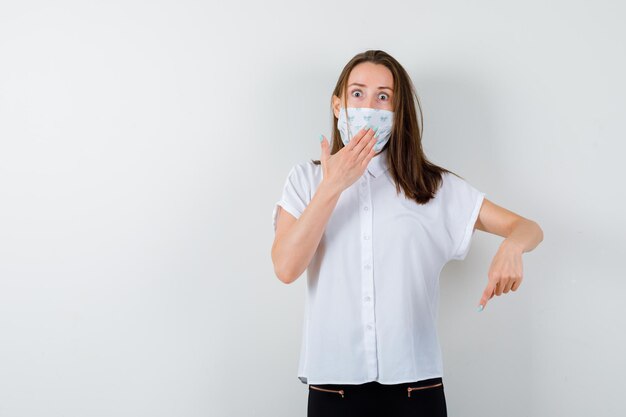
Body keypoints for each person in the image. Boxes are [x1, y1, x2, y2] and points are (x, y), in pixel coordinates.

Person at [270, 49, 543, 417]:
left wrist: (512, 247)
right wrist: (332, 186)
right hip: (333, 388)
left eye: (384, 97)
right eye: (357, 94)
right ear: (338, 106)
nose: (370, 106)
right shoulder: (305, 180)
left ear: (397, 114)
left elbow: (527, 227)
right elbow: (286, 267)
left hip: (416, 390)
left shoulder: (431, 186)